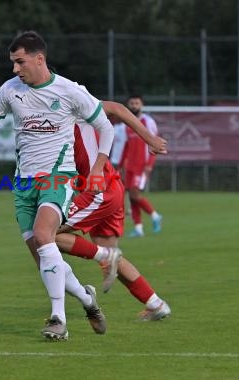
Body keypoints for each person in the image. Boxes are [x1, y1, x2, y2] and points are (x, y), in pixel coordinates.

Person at [0, 31, 116, 341]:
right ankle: (87, 299)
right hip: (23, 184)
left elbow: (105, 127)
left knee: (46, 236)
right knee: (44, 256)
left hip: (59, 177)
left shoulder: (69, 91)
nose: (15, 69)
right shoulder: (10, 90)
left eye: (20, 62)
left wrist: (97, 170)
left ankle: (58, 319)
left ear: (38, 59)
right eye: (13, 63)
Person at [55, 100, 171, 321]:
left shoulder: (70, 99)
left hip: (99, 191)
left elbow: (116, 109)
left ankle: (81, 292)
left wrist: (149, 139)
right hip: (108, 187)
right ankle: (155, 304)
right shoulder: (50, 110)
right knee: (109, 258)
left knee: (45, 233)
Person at [118, 94, 163, 237]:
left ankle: (155, 215)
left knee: (135, 194)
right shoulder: (128, 124)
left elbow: (155, 143)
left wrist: (150, 164)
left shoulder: (148, 121)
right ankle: (138, 228)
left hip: (141, 165)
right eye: (132, 103)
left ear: (141, 105)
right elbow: (126, 146)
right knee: (131, 196)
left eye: (137, 103)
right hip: (130, 166)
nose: (134, 106)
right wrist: (121, 165)